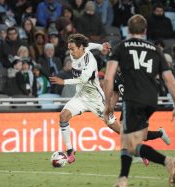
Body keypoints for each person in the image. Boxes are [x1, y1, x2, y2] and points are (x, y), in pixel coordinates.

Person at [103, 15, 175, 187]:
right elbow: (170, 80)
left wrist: (108, 105)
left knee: (129, 143)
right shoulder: (155, 49)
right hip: (151, 100)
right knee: (129, 140)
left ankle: (167, 161)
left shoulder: (121, 47)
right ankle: (123, 178)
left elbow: (108, 78)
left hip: (133, 98)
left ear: (128, 31)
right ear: (145, 31)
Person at [49, 33, 121, 164]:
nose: (70, 52)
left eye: (72, 49)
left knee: (116, 128)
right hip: (80, 97)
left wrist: (63, 82)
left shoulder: (90, 61)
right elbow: (90, 45)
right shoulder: (78, 51)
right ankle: (70, 152)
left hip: (96, 100)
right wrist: (100, 47)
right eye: (69, 49)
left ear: (81, 47)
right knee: (63, 116)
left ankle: (140, 149)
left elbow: (82, 79)